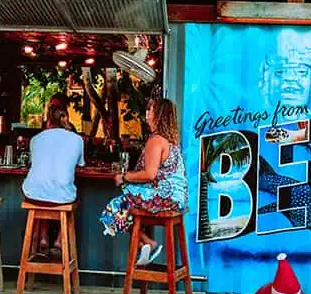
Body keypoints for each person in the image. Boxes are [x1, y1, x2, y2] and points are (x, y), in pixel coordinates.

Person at [100, 97, 187, 265]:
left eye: (150, 111)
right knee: (125, 205)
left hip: (164, 199)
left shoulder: (156, 141)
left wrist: (123, 177)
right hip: (177, 200)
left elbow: (149, 174)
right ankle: (143, 243)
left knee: (118, 206)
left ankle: (147, 242)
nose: (146, 114)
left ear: (158, 115)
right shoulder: (172, 142)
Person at [22, 104, 85, 256]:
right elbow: (80, 164)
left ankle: (41, 236)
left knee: (43, 190)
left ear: (48, 122)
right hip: (63, 198)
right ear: (66, 120)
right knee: (65, 189)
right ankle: (59, 239)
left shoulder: (35, 139)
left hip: (33, 195)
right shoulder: (77, 139)